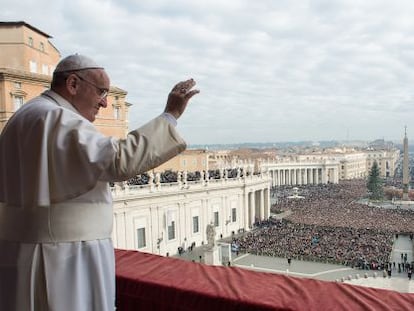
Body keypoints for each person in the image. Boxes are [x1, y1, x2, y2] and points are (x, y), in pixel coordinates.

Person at [0, 54, 199, 311]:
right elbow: (118, 160)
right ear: (73, 84)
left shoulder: (26, 115)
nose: (105, 103)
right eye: (101, 92)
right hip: (64, 259)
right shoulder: (56, 118)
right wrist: (170, 115)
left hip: (27, 251)